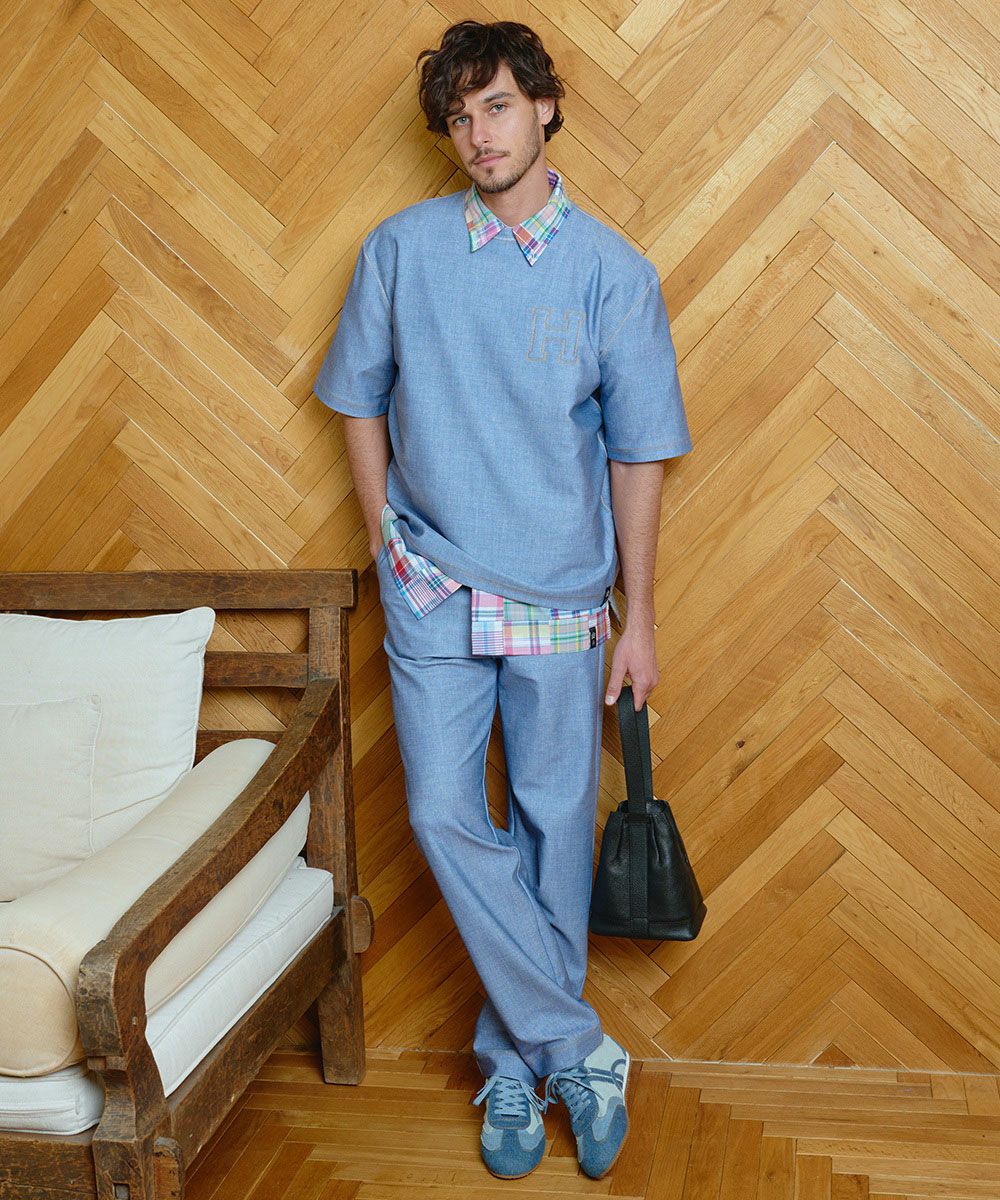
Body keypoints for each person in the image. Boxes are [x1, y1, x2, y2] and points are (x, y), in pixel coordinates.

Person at [313, 19, 693, 1182]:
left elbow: (638, 453)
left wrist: (638, 618)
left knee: (550, 828)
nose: (476, 133)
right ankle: (578, 1046)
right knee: (441, 812)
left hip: (563, 591)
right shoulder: (399, 249)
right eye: (458, 115)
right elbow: (356, 398)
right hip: (430, 579)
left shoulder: (613, 274)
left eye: (496, 106)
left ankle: (515, 1066)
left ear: (543, 108)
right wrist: (382, 538)